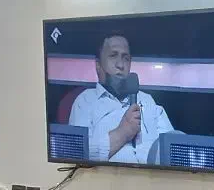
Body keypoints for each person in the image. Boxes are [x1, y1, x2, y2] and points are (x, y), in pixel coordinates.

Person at [67, 32, 174, 164]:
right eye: (113, 56)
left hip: (154, 176)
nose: (121, 65)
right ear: (98, 65)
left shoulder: (147, 101)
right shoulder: (85, 101)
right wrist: (123, 133)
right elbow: (77, 153)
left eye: (126, 58)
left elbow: (172, 148)